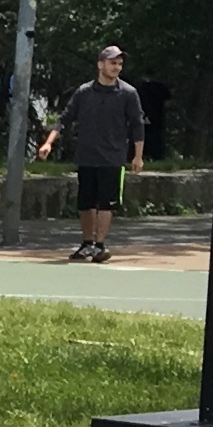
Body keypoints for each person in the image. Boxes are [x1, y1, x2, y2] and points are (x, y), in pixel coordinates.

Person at [37, 41, 145, 264]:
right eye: (112, 63)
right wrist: (49, 143)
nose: (116, 67)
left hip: (113, 158)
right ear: (100, 64)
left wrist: (137, 156)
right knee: (85, 203)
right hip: (87, 156)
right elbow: (64, 119)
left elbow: (137, 125)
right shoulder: (84, 92)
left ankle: (100, 245)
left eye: (119, 63)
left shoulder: (128, 93)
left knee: (106, 204)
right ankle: (87, 244)